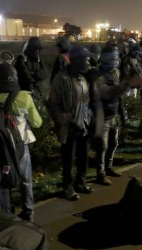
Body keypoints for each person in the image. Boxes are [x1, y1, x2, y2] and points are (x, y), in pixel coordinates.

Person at [49, 46, 103, 201]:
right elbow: (53, 104)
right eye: (85, 59)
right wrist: (64, 119)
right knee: (68, 160)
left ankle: (81, 182)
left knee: (83, 157)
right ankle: (67, 187)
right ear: (76, 61)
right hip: (70, 127)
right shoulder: (62, 79)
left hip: (85, 125)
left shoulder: (86, 77)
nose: (88, 62)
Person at [0, 63, 43, 221]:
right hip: (19, 147)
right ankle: (28, 210)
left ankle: (6, 213)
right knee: (25, 179)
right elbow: (37, 123)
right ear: (12, 77)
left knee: (2, 182)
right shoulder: (24, 97)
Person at [92, 44, 142, 186]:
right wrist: (127, 84)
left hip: (113, 114)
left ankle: (108, 167)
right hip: (102, 116)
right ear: (104, 59)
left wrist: (122, 112)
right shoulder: (97, 75)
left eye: (116, 59)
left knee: (113, 143)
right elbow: (108, 92)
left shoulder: (115, 73)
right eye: (112, 59)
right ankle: (100, 173)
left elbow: (118, 96)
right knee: (102, 146)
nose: (115, 62)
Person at [14, 36, 49, 100]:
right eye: (36, 49)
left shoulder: (38, 58)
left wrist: (34, 74)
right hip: (25, 92)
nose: (37, 52)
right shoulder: (21, 59)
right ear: (31, 48)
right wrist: (37, 76)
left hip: (38, 91)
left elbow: (45, 73)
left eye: (38, 50)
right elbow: (26, 77)